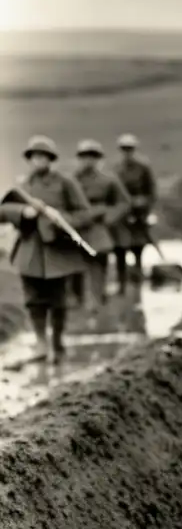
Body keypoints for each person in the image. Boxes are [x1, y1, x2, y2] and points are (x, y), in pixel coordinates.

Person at [0, 136, 92, 363]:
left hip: (56, 251)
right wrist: (23, 214)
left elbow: (84, 214)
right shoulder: (23, 186)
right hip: (29, 249)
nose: (38, 161)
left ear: (51, 160)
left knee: (58, 300)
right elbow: (3, 211)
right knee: (33, 299)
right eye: (34, 157)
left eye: (43, 157)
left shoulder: (65, 183)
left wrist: (58, 219)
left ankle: (58, 344)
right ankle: (41, 344)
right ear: (29, 160)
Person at [70, 139, 132, 313]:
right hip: (77, 228)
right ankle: (78, 302)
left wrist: (109, 217)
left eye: (93, 157)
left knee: (99, 263)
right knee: (75, 266)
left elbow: (124, 203)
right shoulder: (71, 181)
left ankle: (98, 301)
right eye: (84, 157)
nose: (88, 161)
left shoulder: (108, 181)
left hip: (98, 229)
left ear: (98, 160)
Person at [113, 133, 158, 291]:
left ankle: (137, 284)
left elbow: (152, 193)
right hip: (122, 216)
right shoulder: (116, 169)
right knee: (119, 250)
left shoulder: (143, 168)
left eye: (130, 149)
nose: (127, 152)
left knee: (138, 249)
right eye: (124, 149)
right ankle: (121, 285)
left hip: (139, 214)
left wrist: (143, 204)